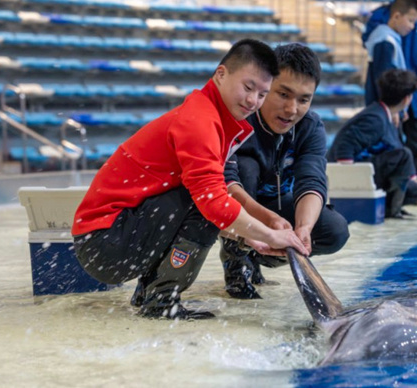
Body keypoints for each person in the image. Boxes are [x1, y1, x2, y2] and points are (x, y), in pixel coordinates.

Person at [71, 39, 308, 320]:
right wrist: (269, 235)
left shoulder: (209, 116)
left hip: (109, 236)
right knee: (207, 202)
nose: (252, 101)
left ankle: (151, 293)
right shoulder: (200, 121)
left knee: (207, 199)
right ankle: (162, 301)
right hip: (104, 242)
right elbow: (212, 204)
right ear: (221, 74)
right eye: (248, 87)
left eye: (262, 94)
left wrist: (251, 237)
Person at [220, 43, 350, 299]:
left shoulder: (310, 127)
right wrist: (263, 224)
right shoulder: (240, 117)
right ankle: (237, 259)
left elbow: (312, 179)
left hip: (279, 204)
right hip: (236, 207)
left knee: (335, 230)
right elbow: (224, 183)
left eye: (304, 99)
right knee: (244, 168)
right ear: (265, 86)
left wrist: (303, 228)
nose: (292, 110)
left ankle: (259, 256)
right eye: (283, 94)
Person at [327, 69, 417, 218]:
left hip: (364, 169)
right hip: (350, 175)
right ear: (406, 99)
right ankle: (392, 211)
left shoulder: (385, 116)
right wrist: (349, 189)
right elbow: (344, 146)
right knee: (405, 157)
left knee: (414, 188)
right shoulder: (375, 119)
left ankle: (391, 207)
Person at [363, 0, 417, 189]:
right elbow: (379, 64)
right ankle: (392, 199)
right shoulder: (381, 20)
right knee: (390, 148)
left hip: (416, 96)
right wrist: (390, 105)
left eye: (414, 22)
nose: (412, 26)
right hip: (390, 99)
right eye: (410, 21)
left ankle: (416, 196)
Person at [363, 0, 417, 107]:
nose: (412, 26)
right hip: (385, 110)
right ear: (396, 16)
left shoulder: (392, 39)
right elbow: (383, 82)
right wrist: (391, 108)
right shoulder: (385, 41)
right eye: (410, 21)